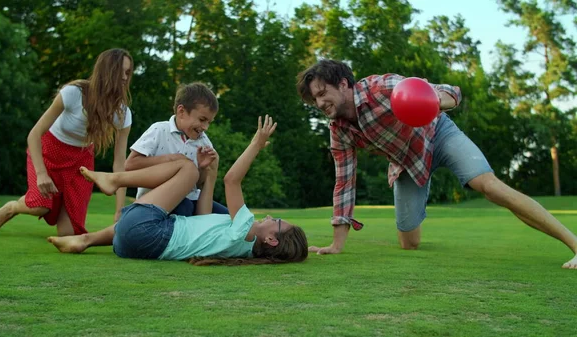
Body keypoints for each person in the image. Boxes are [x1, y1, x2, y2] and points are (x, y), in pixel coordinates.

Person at [296, 59, 577, 269]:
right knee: (409, 243)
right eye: (315, 99)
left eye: (322, 94)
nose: (319, 103)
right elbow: (345, 183)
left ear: (343, 84)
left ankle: (574, 244)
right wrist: (337, 244)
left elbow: (448, 90)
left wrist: (435, 100)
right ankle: (422, 201)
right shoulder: (339, 131)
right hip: (406, 163)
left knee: (489, 186)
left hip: (438, 134)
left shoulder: (381, 87)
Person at [48, 115, 308, 266]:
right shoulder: (240, 251)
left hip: (145, 232)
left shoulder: (246, 229)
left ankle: (116, 180)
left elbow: (233, 181)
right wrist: (210, 174)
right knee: (192, 176)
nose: (273, 217)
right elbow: (202, 214)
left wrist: (256, 144)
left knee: (186, 168)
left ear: (271, 240)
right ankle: (85, 240)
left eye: (279, 223)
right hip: (133, 247)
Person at [0, 48, 134, 237]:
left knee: (68, 233)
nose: (124, 77)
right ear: (106, 71)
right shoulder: (73, 93)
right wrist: (41, 174)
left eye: (128, 73)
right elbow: (34, 134)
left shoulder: (122, 114)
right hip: (49, 150)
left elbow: (119, 163)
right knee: (40, 206)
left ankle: (54, 211)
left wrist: (119, 210)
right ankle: (13, 207)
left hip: (81, 162)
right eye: (120, 71)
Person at [125, 82, 228, 216]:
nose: (205, 127)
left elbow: (199, 185)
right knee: (184, 208)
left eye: (209, 122)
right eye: (202, 119)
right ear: (181, 112)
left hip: (192, 199)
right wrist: (171, 159)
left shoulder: (204, 142)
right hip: (156, 201)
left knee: (229, 217)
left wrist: (203, 169)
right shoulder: (160, 130)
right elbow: (130, 165)